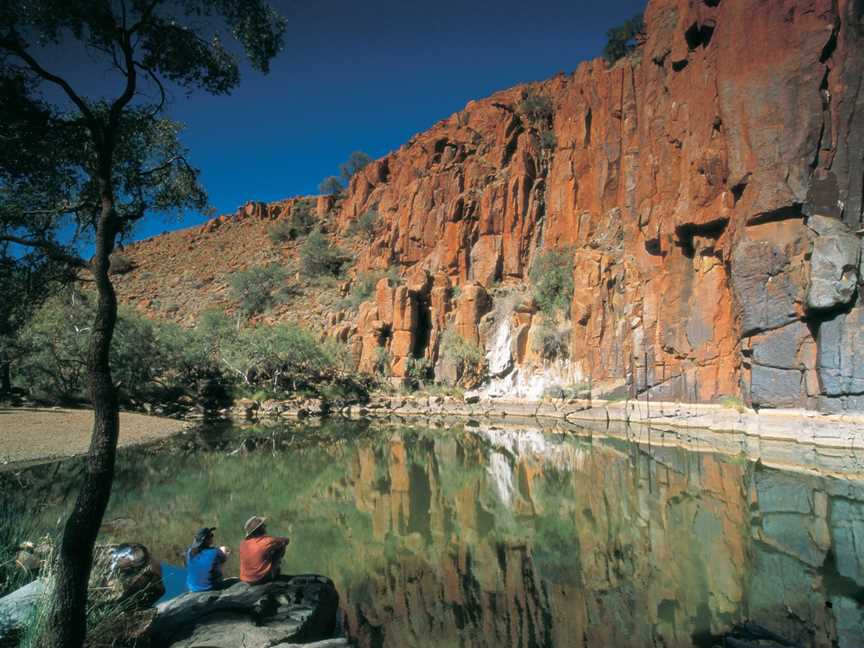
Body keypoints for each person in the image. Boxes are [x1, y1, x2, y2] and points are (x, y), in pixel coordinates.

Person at [239, 515, 289, 584]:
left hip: (246, 580)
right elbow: (286, 540)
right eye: (263, 525)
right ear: (260, 529)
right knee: (280, 546)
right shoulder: (266, 542)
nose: (265, 526)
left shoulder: (243, 544)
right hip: (262, 579)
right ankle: (275, 572)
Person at [185, 527, 229, 592]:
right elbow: (224, 558)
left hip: (192, 588)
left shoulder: (190, 551)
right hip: (210, 588)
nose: (212, 537)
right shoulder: (215, 552)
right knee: (224, 551)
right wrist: (224, 552)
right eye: (211, 535)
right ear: (206, 540)